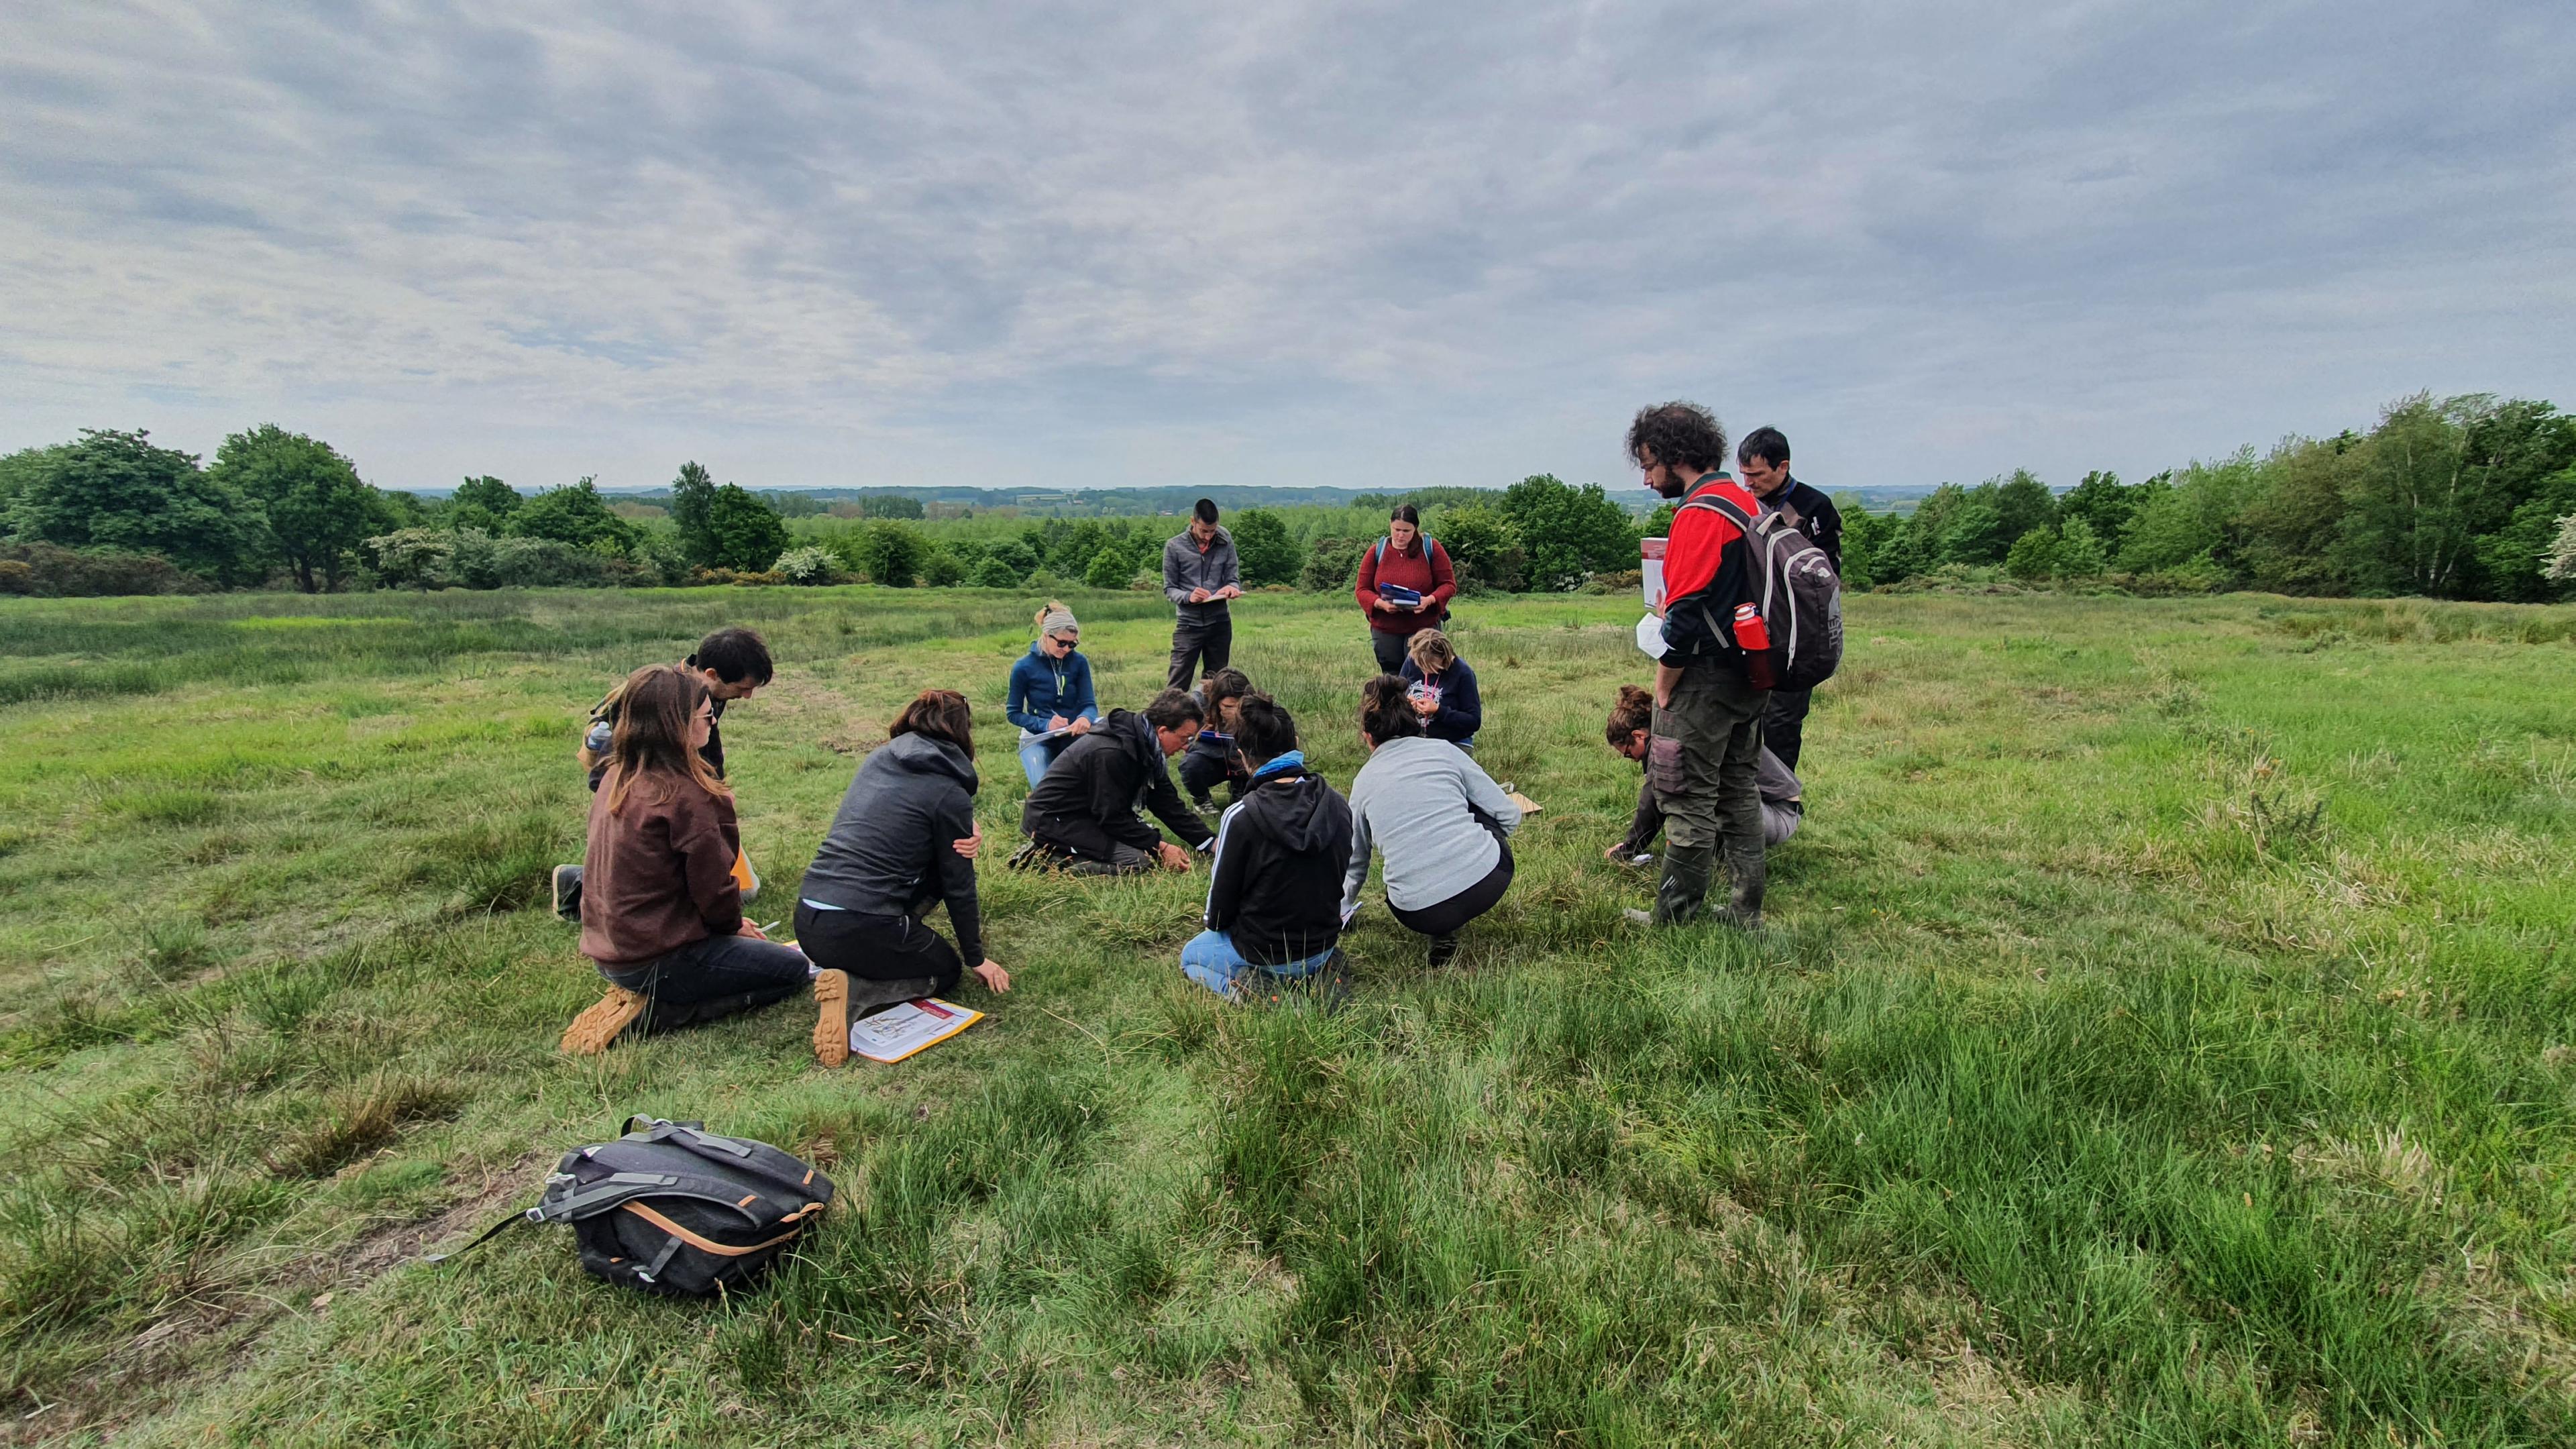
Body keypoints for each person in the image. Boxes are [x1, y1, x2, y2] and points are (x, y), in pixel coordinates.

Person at [558, 665, 823, 1057]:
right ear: (677, 725)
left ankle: (645, 994)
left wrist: (728, 926)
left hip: (610, 949)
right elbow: (715, 890)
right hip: (655, 958)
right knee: (791, 971)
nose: (713, 721)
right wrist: (731, 928)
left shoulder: (617, 773)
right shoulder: (686, 795)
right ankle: (659, 1012)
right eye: (705, 716)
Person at [796, 689, 1013, 1067]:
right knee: (945, 969)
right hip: (860, 925)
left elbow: (901, 827)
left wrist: (958, 826)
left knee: (924, 874)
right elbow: (958, 882)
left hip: (810, 919)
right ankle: (857, 992)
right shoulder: (949, 791)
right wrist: (975, 958)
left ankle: (868, 956)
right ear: (963, 735)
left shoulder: (878, 759)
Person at [1628, 400, 1772, 929]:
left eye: (1648, 464)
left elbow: (1683, 619)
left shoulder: (1698, 514)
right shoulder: (1744, 501)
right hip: (1752, 673)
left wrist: (1664, 689)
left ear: (1672, 454)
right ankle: (1744, 912)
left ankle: (1676, 917)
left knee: (1684, 793)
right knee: (1738, 791)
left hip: (1705, 681)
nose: (1646, 479)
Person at [553, 627, 774, 919]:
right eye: (742, 688)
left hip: (677, 805)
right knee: (713, 887)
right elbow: (605, 776)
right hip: (643, 810)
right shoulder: (655, 699)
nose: (747, 696)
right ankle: (579, 880)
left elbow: (709, 751)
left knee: (744, 890)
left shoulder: (705, 695)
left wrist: (715, 797)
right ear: (711, 673)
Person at [1181, 694, 1355, 1003]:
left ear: (1243, 756)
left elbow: (1218, 912)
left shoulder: (1239, 816)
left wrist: (1219, 926)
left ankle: (1250, 993)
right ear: (1297, 742)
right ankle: (1325, 969)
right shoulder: (1338, 803)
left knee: (1191, 957)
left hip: (1262, 951)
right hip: (1323, 943)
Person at [1340, 675, 1522, 968]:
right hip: (1490, 881)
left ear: (1368, 737)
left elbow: (1355, 862)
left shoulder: (1361, 784)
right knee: (1474, 804)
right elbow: (1508, 814)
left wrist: (1342, 908)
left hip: (1416, 911)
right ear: (1416, 724)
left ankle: (1442, 927)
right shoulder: (1445, 750)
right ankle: (1461, 879)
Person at [1012, 688, 1217, 875]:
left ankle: (1065, 851)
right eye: (1184, 738)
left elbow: (1168, 805)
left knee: (1147, 847)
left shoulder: (1147, 748)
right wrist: (1161, 846)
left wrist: (1210, 843)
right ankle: (1045, 860)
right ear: (1162, 731)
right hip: (1054, 820)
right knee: (1139, 861)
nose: (1185, 747)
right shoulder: (1112, 753)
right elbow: (1112, 818)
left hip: (1087, 815)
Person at [1602, 684, 1803, 868]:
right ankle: (1716, 855)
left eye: (1629, 753)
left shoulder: (1667, 741)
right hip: (1768, 807)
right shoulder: (1672, 726)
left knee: (1685, 795)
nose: (1634, 760)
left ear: (1639, 735)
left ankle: (1710, 863)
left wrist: (1627, 850)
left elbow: (1652, 800)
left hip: (1778, 812)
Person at [1736, 426, 1841, 773]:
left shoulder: (1815, 508)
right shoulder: (1741, 504)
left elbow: (1825, 580)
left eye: (1757, 475)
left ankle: (1782, 808)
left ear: (1783, 467)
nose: (1749, 484)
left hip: (1794, 636)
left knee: (1782, 724)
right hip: (1747, 632)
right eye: (1744, 476)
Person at [1005, 600, 1099, 788]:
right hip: (1038, 738)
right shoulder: (1023, 667)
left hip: (1073, 734)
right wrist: (1045, 724)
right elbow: (1013, 713)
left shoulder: (1079, 662)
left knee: (1094, 776)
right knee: (1044, 789)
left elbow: (1089, 704)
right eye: (1061, 643)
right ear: (1046, 636)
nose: (1066, 649)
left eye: (1072, 644)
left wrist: (1085, 718)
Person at [1354, 504, 1456, 674]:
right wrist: (1380, 604)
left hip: (1423, 628)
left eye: (1407, 531)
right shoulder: (1376, 551)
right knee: (1393, 679)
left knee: (1421, 675)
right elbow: (1362, 589)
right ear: (1390, 525)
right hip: (1386, 630)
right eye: (1397, 529)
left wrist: (1429, 601)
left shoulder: (1431, 548)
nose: (1400, 535)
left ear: (1415, 528)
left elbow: (1449, 585)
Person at [1162, 498, 1242, 690]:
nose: (1208, 536)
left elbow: (1233, 577)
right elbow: (1169, 589)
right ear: (1193, 522)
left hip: (1220, 622)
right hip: (1189, 624)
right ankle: (1171, 719)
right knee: (1178, 683)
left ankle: (1210, 719)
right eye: (1204, 531)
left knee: (1216, 683)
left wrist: (1231, 588)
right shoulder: (1174, 547)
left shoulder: (1225, 539)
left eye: (1213, 531)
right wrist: (1189, 597)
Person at [1178, 667, 1254, 814]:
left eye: (1239, 706)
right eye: (1228, 706)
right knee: (1190, 765)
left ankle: (1240, 789)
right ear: (1216, 700)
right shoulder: (1197, 701)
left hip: (1243, 759)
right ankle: (1201, 799)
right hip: (1210, 756)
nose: (1235, 710)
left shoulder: (1253, 704)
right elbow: (1186, 740)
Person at [1395, 629, 1481, 748]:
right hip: (1414, 739)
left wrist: (1439, 710)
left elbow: (1474, 722)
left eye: (1430, 665)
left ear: (1444, 658)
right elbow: (1396, 696)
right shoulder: (1412, 660)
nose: (1424, 670)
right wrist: (1406, 704)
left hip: (1452, 743)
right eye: (1420, 664)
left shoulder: (1463, 673)